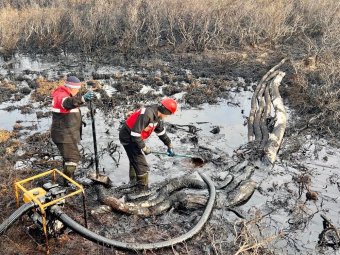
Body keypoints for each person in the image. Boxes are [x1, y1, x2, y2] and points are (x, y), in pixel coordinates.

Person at [119, 98, 177, 195]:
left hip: (134, 137)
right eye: (169, 114)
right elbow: (135, 134)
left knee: (135, 160)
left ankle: (133, 182)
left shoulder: (157, 117)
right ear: (165, 110)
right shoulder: (147, 114)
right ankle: (142, 190)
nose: (168, 116)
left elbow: (161, 132)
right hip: (128, 137)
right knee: (142, 166)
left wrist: (169, 144)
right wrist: (144, 147)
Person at [51, 76, 94, 184]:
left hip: (67, 133)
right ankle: (67, 183)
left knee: (68, 158)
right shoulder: (62, 95)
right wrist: (82, 99)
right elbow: (67, 103)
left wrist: (79, 121)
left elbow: (69, 111)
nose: (78, 91)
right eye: (77, 89)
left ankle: (68, 179)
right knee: (73, 158)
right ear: (72, 88)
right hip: (63, 135)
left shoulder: (66, 94)